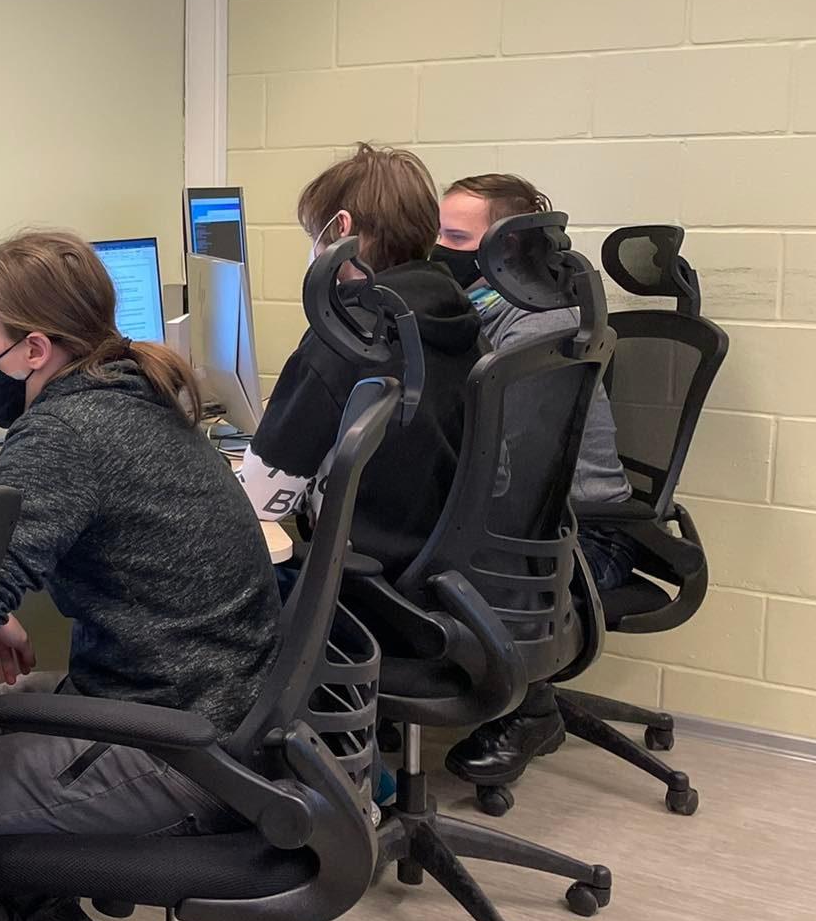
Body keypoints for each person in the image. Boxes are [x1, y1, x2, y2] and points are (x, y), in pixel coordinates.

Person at [0, 228, 282, 921]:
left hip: (183, 745)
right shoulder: (126, 394)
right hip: (200, 701)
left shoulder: (68, 431)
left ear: (35, 350)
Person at [433, 173, 637, 786]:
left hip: (580, 538)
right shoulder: (482, 312)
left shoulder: (536, 327)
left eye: (455, 238)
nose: (438, 249)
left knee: (409, 566)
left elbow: (499, 476)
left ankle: (533, 711)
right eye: (436, 232)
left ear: (508, 247)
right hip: (533, 524)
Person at [237, 144, 483, 580]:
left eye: (314, 234)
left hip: (363, 583)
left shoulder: (345, 333)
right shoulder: (461, 316)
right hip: (440, 574)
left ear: (342, 227)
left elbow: (259, 498)